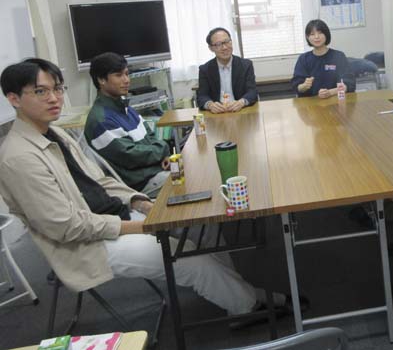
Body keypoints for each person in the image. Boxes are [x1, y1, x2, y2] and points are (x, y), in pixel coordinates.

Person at [0, 58, 283, 317]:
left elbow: (101, 181)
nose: (54, 98)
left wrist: (141, 204)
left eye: (58, 89)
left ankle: (237, 295)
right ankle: (249, 307)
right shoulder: (18, 158)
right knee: (190, 260)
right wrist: (144, 225)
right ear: (13, 99)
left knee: (201, 229)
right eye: (40, 92)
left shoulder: (56, 132)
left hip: (117, 216)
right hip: (88, 245)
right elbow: (67, 228)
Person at [84, 52, 169, 198]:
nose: (126, 80)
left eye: (127, 74)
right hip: (140, 184)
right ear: (101, 80)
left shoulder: (126, 108)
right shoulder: (100, 120)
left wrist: (164, 155)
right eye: (119, 75)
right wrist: (163, 150)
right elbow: (130, 155)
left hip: (156, 170)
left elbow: (150, 135)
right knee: (194, 177)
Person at [197, 27, 258, 113]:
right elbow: (202, 96)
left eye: (227, 42)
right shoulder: (205, 69)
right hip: (217, 115)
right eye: (218, 44)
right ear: (211, 48)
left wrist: (241, 102)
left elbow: (252, 92)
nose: (225, 47)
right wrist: (210, 105)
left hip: (240, 111)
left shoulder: (246, 65)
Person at [291, 19, 355, 98]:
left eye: (320, 33)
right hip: (311, 105)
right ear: (307, 37)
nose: (316, 37)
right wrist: (304, 86)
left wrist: (330, 92)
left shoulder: (338, 56)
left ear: (326, 34)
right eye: (312, 34)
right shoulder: (303, 59)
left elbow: (349, 83)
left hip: (335, 101)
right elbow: (297, 87)